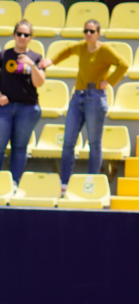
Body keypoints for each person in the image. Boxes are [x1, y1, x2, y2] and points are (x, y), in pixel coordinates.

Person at [38, 20, 128, 192]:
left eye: (92, 31)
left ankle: (91, 182)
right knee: (68, 141)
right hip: (77, 96)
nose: (88, 34)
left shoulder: (104, 50)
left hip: (95, 97)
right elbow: (68, 51)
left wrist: (108, 82)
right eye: (86, 30)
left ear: (98, 33)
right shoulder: (81, 46)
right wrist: (51, 61)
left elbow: (123, 64)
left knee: (94, 143)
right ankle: (65, 183)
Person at [0, 20, 46, 189]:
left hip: (27, 108)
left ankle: (14, 184)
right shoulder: (3, 55)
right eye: (19, 33)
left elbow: (39, 82)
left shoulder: (36, 57)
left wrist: (32, 64)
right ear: (14, 35)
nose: (22, 37)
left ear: (31, 37)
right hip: (3, 107)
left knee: (19, 147)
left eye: (26, 34)